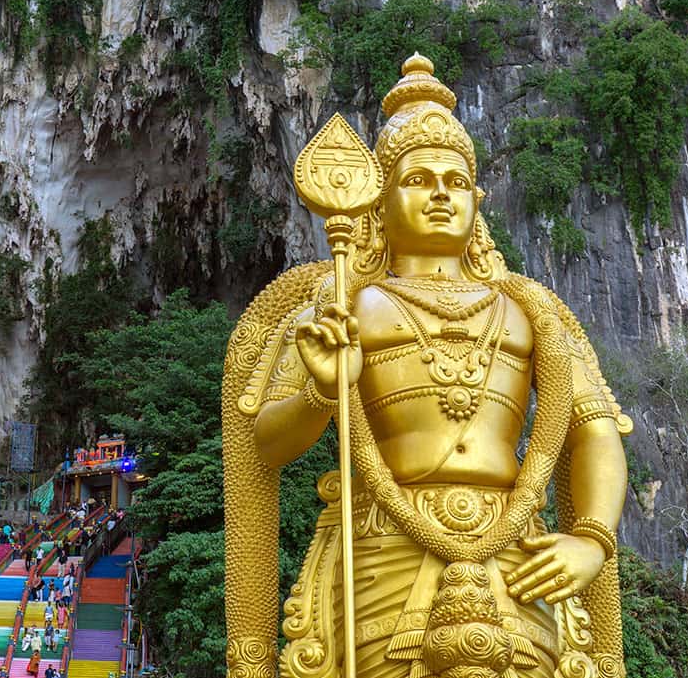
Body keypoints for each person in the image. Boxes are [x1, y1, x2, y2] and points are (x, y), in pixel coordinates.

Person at [226, 54, 633, 678]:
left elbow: (594, 429)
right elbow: (264, 442)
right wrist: (321, 393)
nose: (441, 193)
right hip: (383, 546)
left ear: (477, 199)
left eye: (454, 180)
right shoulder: (340, 302)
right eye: (418, 179)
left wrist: (592, 538)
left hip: (515, 550)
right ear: (378, 201)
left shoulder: (532, 311)